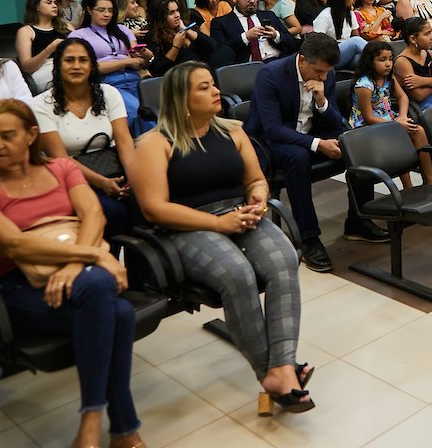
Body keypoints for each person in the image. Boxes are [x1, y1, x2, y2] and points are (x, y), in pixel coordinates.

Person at [0, 100, 145, 448]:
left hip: (78, 279)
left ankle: (102, 423)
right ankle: (119, 428)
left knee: (111, 303)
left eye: (7, 136)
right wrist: (92, 256)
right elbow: (15, 246)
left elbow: (95, 217)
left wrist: (75, 266)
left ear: (31, 135)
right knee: (112, 302)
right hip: (17, 288)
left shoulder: (61, 168)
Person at [133, 61, 314, 415]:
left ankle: (281, 367)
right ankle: (276, 373)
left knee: (284, 260)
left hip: (239, 214)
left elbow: (256, 180)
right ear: (180, 98)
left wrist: (259, 198)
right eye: (204, 87)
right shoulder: (154, 143)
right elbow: (154, 208)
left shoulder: (233, 130)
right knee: (237, 274)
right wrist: (219, 224)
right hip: (186, 226)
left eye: (213, 83)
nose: (216, 91)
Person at [244, 34, 386, 274]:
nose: (323, 76)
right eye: (319, 71)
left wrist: (321, 100)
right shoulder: (271, 75)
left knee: (351, 138)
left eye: (327, 72)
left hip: (309, 133)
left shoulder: (326, 73)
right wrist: (318, 144)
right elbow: (273, 129)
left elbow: (331, 118)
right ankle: (308, 238)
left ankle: (358, 220)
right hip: (271, 142)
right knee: (297, 157)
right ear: (302, 60)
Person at [32, 38, 137, 237]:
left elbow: (124, 141)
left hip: (114, 168)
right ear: (58, 65)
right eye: (69, 60)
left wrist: (133, 181)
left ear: (92, 65)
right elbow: (59, 157)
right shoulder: (40, 105)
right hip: (69, 177)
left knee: (143, 200)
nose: (77, 66)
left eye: (83, 60)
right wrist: (102, 183)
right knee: (113, 211)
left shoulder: (109, 94)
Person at [351, 42, 432, 188]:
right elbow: (368, 118)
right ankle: (408, 186)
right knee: (401, 135)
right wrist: (397, 124)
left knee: (419, 131)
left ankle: (430, 181)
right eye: (382, 60)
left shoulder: (389, 78)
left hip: (390, 120)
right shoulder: (364, 85)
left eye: (390, 59)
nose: (388, 64)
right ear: (369, 61)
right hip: (368, 127)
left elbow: (403, 97)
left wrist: (402, 116)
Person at [69, 0, 151, 134]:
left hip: (134, 78)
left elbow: (139, 60)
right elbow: (89, 68)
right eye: (101, 10)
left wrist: (146, 56)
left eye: (110, 10)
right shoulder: (78, 36)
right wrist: (126, 61)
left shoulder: (122, 30)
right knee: (140, 112)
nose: (107, 14)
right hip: (106, 84)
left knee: (159, 109)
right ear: (89, 10)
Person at [211, 0, 291, 65]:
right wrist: (245, 37)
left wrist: (276, 36)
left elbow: (293, 43)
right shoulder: (221, 23)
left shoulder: (269, 15)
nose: (252, 1)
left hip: (279, 62)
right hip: (247, 69)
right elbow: (220, 54)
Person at [16, 0, 70, 91]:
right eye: (49, 3)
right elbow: (27, 67)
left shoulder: (65, 26)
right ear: (36, 7)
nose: (54, 6)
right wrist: (50, 48)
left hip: (66, 64)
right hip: (43, 71)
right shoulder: (25, 31)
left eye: (55, 3)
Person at [312, 0, 367, 69]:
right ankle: (380, 55)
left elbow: (356, 34)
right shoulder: (325, 15)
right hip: (328, 56)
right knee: (356, 41)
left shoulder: (350, 14)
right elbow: (317, 44)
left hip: (345, 56)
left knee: (362, 59)